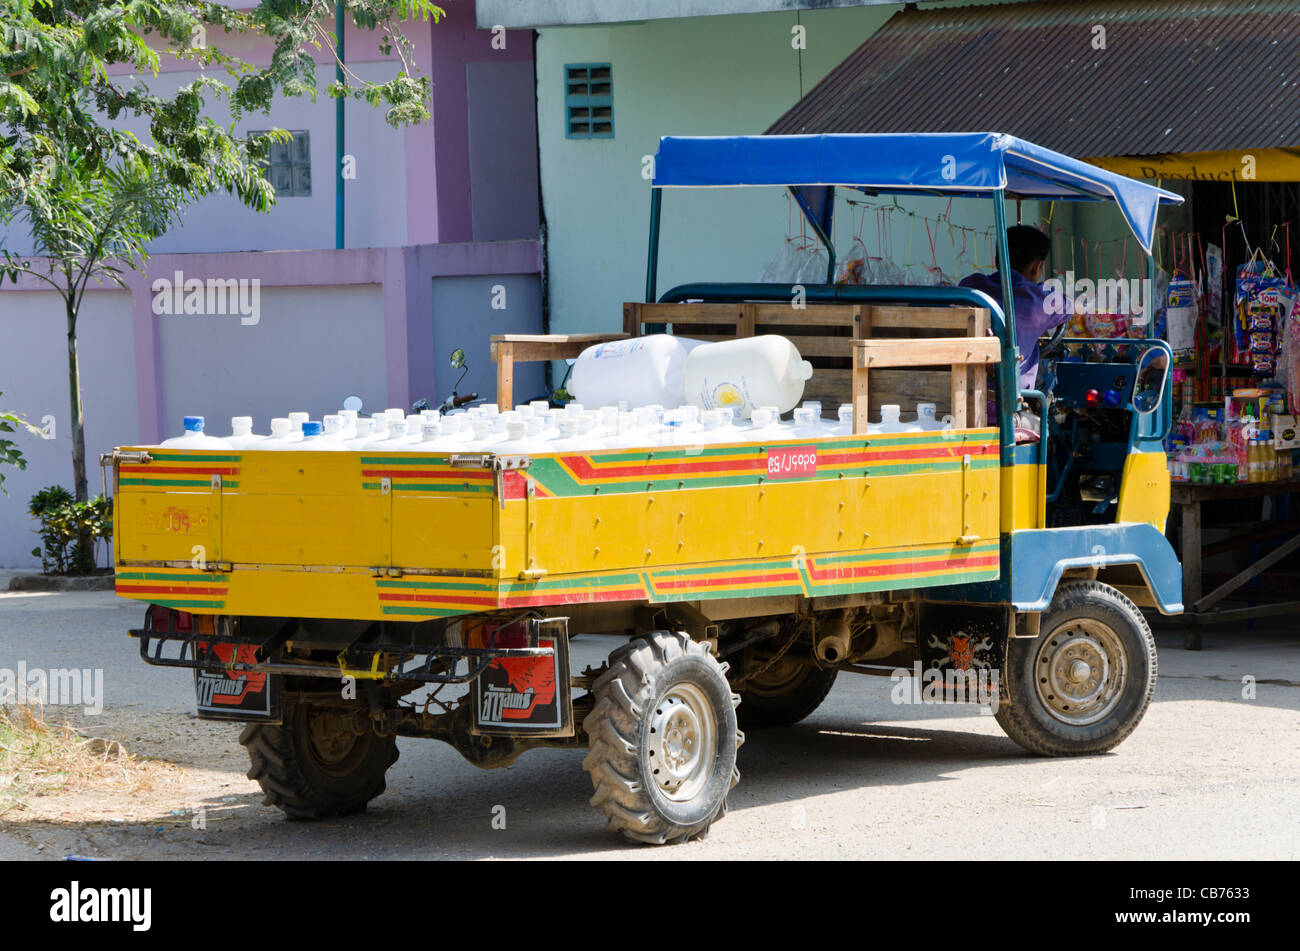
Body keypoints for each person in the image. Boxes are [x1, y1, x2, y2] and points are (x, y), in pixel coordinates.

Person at [959, 225, 1067, 390]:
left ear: (997, 261)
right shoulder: (1039, 300)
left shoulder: (971, 285)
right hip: (1008, 401)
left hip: (961, 387)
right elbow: (1069, 306)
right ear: (1038, 267)